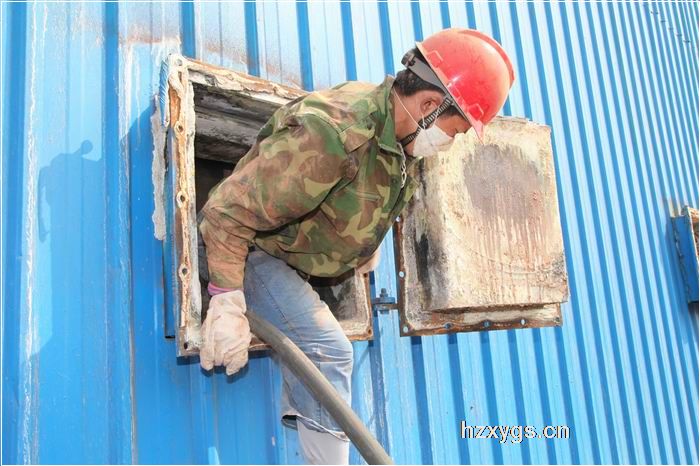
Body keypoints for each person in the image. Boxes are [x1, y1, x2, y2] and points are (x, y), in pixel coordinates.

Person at [197, 28, 515, 464]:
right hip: (254, 250)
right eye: (455, 132)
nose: (450, 144)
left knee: (320, 353)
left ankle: (309, 413)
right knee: (330, 351)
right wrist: (226, 300)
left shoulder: (401, 137)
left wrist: (361, 247)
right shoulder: (333, 132)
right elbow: (227, 214)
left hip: (297, 258)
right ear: (429, 106)